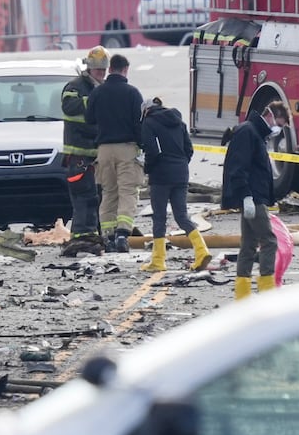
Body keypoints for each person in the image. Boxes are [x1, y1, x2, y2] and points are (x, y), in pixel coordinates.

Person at [138, 96, 211, 274]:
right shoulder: (178, 121)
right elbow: (189, 149)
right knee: (181, 216)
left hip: (161, 176)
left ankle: (158, 260)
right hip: (181, 174)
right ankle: (202, 251)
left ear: (146, 110)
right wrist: (180, 165)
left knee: (159, 217)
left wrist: (147, 168)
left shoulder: (149, 122)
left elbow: (152, 151)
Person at [222, 100, 284, 299]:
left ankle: (243, 295)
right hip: (252, 196)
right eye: (280, 124)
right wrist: (246, 195)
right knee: (269, 241)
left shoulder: (254, 133)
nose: (278, 129)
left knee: (249, 244)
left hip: (254, 196)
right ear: (270, 116)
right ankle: (266, 291)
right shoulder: (248, 132)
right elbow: (238, 167)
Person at [86, 52, 143, 252]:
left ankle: (108, 236)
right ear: (125, 70)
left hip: (103, 150)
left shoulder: (97, 93)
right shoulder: (132, 93)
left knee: (108, 192)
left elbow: (89, 119)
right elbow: (139, 123)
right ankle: (122, 233)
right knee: (127, 191)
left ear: (110, 69)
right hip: (126, 149)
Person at [60, 46, 108, 254]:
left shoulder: (102, 88)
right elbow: (70, 109)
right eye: (98, 71)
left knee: (97, 198)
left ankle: (95, 236)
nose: (101, 74)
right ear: (89, 69)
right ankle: (81, 238)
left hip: (96, 155)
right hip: (79, 156)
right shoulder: (75, 87)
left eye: (103, 71)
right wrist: (96, 102)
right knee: (84, 198)